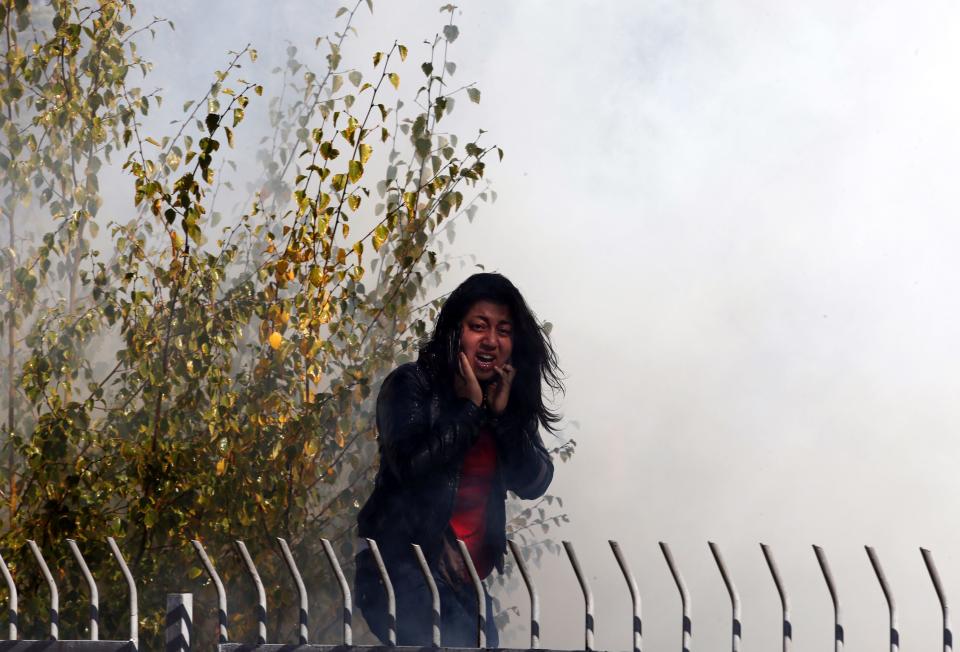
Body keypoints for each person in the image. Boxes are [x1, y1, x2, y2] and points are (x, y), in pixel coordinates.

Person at [355, 272, 563, 647]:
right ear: (455, 333)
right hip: (396, 570)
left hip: (463, 584)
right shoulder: (411, 384)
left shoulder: (503, 401)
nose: (491, 341)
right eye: (478, 326)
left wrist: (500, 421)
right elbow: (410, 465)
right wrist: (469, 411)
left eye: (503, 330)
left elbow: (535, 481)